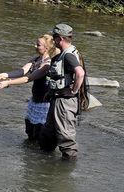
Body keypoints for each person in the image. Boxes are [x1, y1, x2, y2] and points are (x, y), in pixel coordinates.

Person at [0, 34, 60, 141]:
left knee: (39, 134)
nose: (35, 46)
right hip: (34, 101)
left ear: (46, 48)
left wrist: (8, 83)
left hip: (44, 104)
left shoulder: (48, 64)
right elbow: (22, 71)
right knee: (29, 132)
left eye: (38, 45)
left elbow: (28, 78)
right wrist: (5, 75)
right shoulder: (36, 59)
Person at [39, 23, 85, 161]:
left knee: (66, 139)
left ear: (60, 38)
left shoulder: (68, 55)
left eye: (54, 38)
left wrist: (73, 91)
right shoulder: (68, 52)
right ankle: (44, 163)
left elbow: (80, 73)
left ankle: (66, 171)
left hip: (65, 102)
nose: (53, 40)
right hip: (57, 98)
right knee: (48, 134)